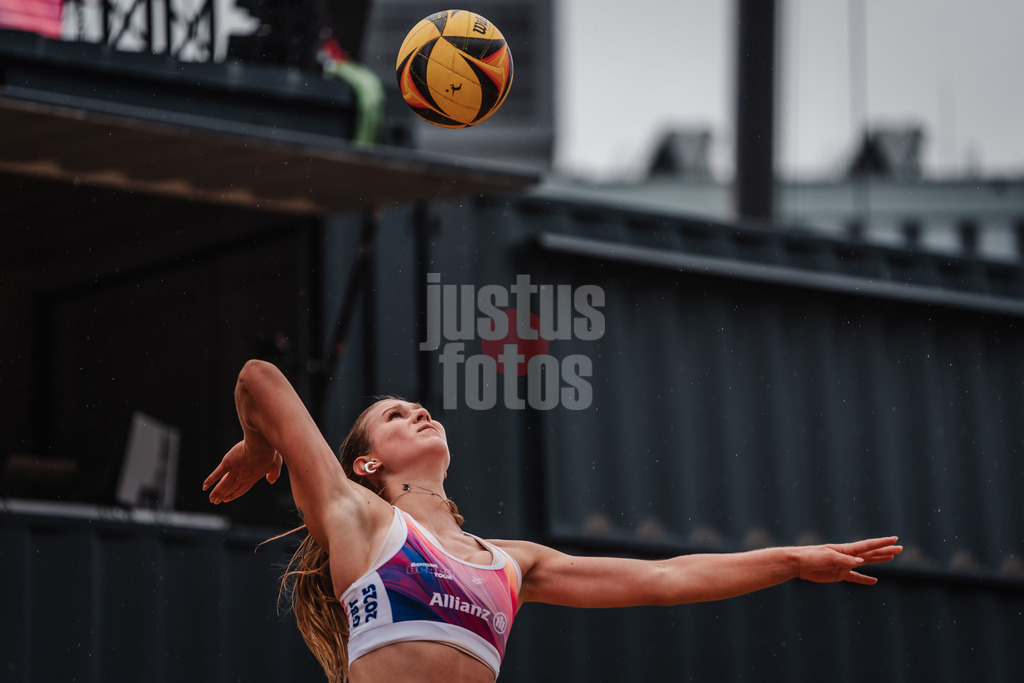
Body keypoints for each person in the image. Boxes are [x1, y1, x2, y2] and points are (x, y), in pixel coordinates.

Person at [204, 359, 902, 683]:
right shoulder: (356, 516)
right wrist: (263, 444)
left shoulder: (512, 563)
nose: (417, 410)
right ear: (363, 466)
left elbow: (668, 577)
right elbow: (259, 379)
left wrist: (791, 561)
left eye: (418, 406)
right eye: (393, 414)